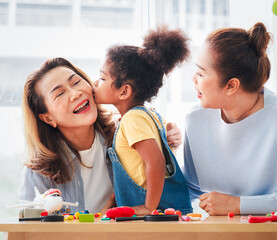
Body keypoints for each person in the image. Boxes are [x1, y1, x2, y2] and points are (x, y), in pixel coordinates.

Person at [19, 57, 182, 214]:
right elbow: (29, 233)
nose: (75, 93)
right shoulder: (38, 173)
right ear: (48, 118)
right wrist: (98, 228)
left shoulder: (125, 136)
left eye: (76, 82)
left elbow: (161, 186)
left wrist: (167, 142)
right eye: (60, 94)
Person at [183, 22, 277, 215]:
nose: (193, 79)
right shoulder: (195, 119)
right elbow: (190, 189)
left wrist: (238, 204)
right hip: (214, 231)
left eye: (200, 73)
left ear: (231, 86)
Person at [93, 26, 193, 215]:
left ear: (124, 91)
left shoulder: (133, 120)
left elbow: (156, 162)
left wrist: (149, 207)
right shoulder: (151, 115)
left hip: (154, 216)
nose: (95, 83)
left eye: (102, 78)